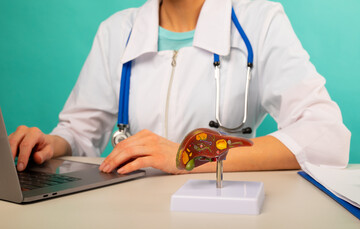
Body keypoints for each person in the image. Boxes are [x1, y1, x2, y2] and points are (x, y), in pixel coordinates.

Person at [8, 0, 350, 175]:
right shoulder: (116, 30)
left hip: (223, 213)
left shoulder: (259, 21)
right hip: (131, 218)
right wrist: (49, 145)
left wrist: (190, 158)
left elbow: (325, 135)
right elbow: (80, 133)